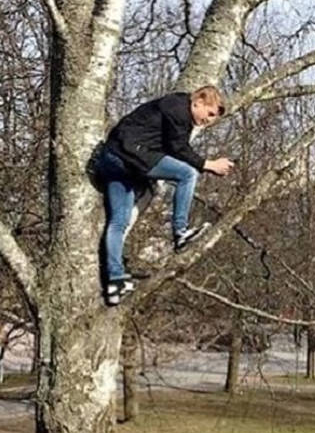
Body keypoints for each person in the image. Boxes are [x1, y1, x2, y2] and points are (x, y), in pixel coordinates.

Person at [95, 85, 234, 305]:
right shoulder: (178, 110)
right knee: (188, 174)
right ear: (198, 101)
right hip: (128, 155)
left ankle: (115, 282)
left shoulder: (175, 108)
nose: (209, 121)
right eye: (209, 114)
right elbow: (178, 149)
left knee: (118, 222)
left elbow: (171, 147)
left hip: (114, 159)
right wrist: (209, 165)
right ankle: (180, 232)